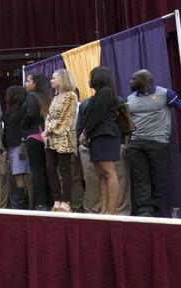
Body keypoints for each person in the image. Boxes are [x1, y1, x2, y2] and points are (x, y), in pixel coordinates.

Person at [127, 69, 181, 217]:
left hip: (158, 143)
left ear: (144, 81)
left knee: (158, 178)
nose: (130, 82)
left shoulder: (165, 94)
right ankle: (144, 212)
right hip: (136, 144)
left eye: (133, 79)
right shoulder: (130, 98)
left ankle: (154, 210)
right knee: (140, 178)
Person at [79, 67, 120, 214]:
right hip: (97, 136)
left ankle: (110, 210)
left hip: (106, 135)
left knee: (109, 172)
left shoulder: (105, 92)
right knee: (101, 175)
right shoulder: (98, 94)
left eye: (91, 77)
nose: (89, 80)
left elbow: (97, 115)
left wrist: (85, 132)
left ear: (99, 77)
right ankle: (103, 210)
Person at [43, 69, 78, 212]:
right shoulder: (55, 97)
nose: (51, 80)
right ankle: (57, 200)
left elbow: (66, 119)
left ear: (62, 79)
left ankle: (67, 201)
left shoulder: (71, 96)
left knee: (64, 170)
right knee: (50, 169)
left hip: (64, 138)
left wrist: (49, 128)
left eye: (53, 78)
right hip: (51, 139)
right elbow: (49, 117)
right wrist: (47, 130)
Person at [22, 73, 53, 210]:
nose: (26, 84)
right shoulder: (47, 98)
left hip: (33, 136)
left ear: (35, 83)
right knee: (46, 171)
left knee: (37, 171)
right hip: (45, 137)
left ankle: (40, 204)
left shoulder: (30, 97)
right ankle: (49, 201)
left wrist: (22, 124)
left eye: (28, 81)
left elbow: (29, 114)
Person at [2, 85, 31, 209]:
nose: (7, 97)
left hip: (19, 145)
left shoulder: (22, 111)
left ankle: (21, 204)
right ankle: (16, 202)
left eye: (9, 94)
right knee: (14, 175)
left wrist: (22, 145)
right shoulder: (11, 111)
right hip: (11, 145)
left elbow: (24, 129)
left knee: (20, 174)